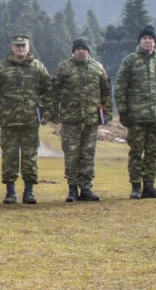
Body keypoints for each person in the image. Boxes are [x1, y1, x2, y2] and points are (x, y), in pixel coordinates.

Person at [0, 34, 51, 204]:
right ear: (12, 47)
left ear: (28, 47)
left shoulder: (38, 67)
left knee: (30, 157)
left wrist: (46, 113)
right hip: (8, 121)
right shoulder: (1, 67)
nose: (21, 48)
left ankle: (29, 192)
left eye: (24, 45)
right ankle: (10, 192)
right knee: (9, 156)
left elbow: (48, 92)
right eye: (18, 46)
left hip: (30, 121)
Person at [115, 25, 156, 199]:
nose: (147, 41)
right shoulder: (130, 61)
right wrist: (123, 111)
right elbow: (120, 87)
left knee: (152, 153)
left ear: (154, 42)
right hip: (137, 117)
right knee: (136, 152)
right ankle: (135, 186)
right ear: (140, 41)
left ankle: (149, 185)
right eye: (144, 39)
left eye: (150, 39)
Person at [50, 38, 112, 202]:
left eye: (84, 48)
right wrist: (53, 113)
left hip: (91, 120)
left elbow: (106, 92)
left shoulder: (97, 68)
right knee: (71, 155)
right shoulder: (64, 68)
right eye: (78, 49)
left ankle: (86, 188)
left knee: (88, 155)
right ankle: (72, 189)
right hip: (71, 120)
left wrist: (107, 113)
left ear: (88, 51)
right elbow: (53, 91)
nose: (81, 51)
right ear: (73, 51)